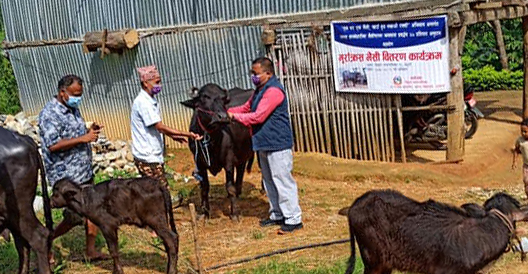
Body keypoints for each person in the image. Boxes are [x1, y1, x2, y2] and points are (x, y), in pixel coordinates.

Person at [228, 57, 303, 233]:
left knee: (282, 180)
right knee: (269, 180)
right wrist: (228, 111)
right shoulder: (259, 90)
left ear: (268, 73)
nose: (252, 76)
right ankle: (277, 214)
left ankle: (293, 218)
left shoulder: (274, 92)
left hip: (277, 143)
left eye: (255, 73)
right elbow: (246, 108)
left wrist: (233, 117)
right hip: (263, 143)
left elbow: (257, 116)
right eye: (251, 73)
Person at [39, 74, 107, 260]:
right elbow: (52, 145)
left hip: (83, 171)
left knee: (92, 209)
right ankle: (46, 240)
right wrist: (82, 139)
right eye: (75, 94)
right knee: (74, 217)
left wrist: (89, 131)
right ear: (62, 93)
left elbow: (73, 134)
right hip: (66, 176)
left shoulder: (72, 108)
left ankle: (91, 251)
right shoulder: (49, 114)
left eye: (80, 94)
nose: (79, 97)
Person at [131, 65, 201, 190]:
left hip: (151, 154)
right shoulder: (143, 103)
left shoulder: (149, 100)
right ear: (146, 83)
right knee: (161, 193)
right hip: (148, 157)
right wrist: (186, 134)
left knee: (154, 192)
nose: (160, 85)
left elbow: (155, 127)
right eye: (157, 82)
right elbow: (160, 127)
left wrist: (174, 136)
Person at [512, 118, 528, 199]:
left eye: (525, 131)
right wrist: (514, 162)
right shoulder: (520, 140)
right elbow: (516, 151)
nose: (523, 133)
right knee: (526, 181)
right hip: (526, 166)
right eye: (522, 131)